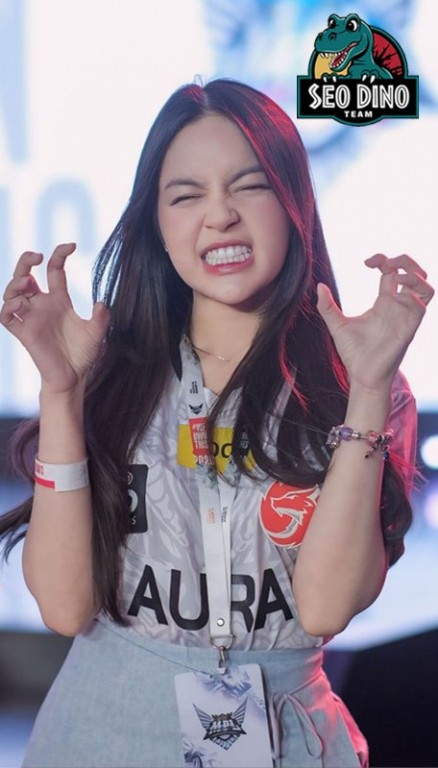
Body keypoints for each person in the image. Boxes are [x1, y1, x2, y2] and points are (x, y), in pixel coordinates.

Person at [0, 78, 433, 768]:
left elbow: (325, 607)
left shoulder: (360, 384)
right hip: (103, 735)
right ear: (156, 225)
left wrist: (371, 388)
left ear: (293, 202)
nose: (221, 215)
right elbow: (62, 606)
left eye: (250, 186)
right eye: (186, 196)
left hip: (286, 738)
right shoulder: (106, 374)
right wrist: (61, 392)